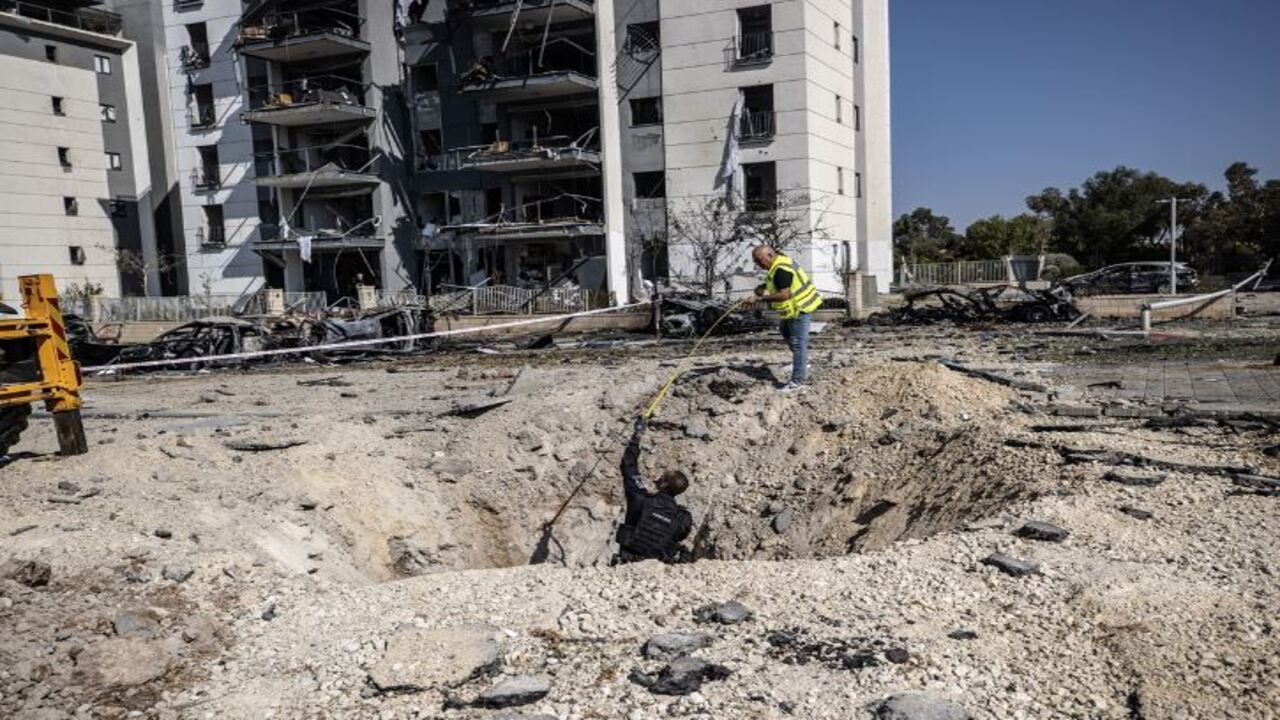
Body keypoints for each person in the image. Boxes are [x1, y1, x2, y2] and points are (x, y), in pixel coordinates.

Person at [614, 417, 693, 564]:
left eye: (662, 476)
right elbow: (677, 537)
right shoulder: (682, 518)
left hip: (627, 562)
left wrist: (637, 436)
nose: (658, 476)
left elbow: (628, 466)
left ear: (663, 485)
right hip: (658, 568)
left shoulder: (640, 499)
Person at [749, 245, 823, 393]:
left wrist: (759, 298)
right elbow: (782, 282)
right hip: (796, 308)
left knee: (798, 343)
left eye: (759, 260)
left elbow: (785, 294)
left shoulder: (780, 269)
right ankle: (800, 362)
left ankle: (797, 382)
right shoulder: (781, 262)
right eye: (755, 261)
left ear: (769, 255)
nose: (757, 264)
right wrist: (763, 286)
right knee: (784, 330)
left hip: (799, 308)